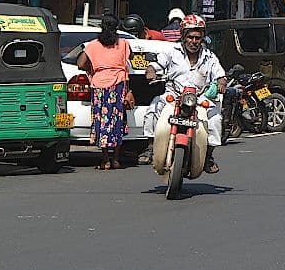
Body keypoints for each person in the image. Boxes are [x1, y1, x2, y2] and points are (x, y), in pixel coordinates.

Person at [140, 14, 226, 174]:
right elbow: (157, 64)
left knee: (215, 118)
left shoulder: (209, 57)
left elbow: (219, 73)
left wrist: (221, 82)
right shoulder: (172, 51)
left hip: (199, 99)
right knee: (153, 108)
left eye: (198, 38)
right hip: (174, 97)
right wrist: (151, 71)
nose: (194, 41)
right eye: (191, 37)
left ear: (202, 39)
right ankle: (150, 146)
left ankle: (208, 156)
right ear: (184, 36)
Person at [74, 15, 131, 170]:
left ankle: (105, 159)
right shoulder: (123, 44)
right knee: (117, 122)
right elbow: (126, 66)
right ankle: (116, 159)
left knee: (102, 121)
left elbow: (80, 63)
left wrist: (92, 70)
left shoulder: (93, 45)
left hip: (99, 86)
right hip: (118, 85)